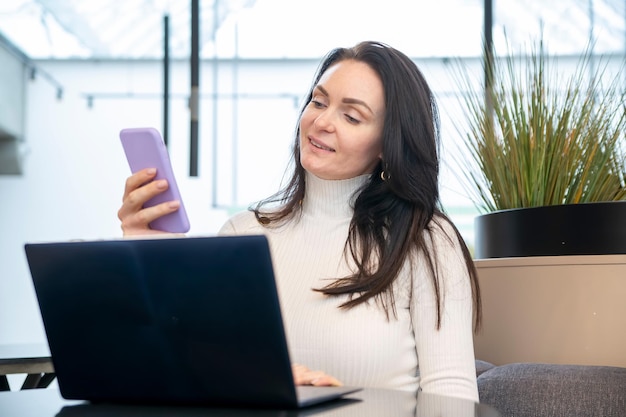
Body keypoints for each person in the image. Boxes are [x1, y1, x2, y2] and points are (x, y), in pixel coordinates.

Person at [118, 41, 482, 402]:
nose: (321, 122)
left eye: (351, 116)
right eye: (318, 102)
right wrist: (144, 256)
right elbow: (182, 373)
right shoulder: (241, 234)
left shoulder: (426, 240)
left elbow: (451, 395)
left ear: (388, 144)